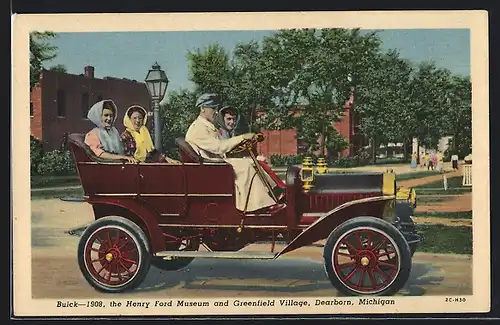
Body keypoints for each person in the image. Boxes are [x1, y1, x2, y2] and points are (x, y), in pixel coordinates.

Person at [185, 93, 285, 213]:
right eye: (213, 108)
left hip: (215, 164)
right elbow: (219, 147)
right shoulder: (198, 128)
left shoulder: (207, 126)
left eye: (216, 108)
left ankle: (274, 192)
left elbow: (224, 146)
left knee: (253, 161)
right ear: (202, 109)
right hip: (211, 168)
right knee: (245, 166)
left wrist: (243, 142)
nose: (216, 112)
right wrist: (243, 138)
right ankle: (260, 205)